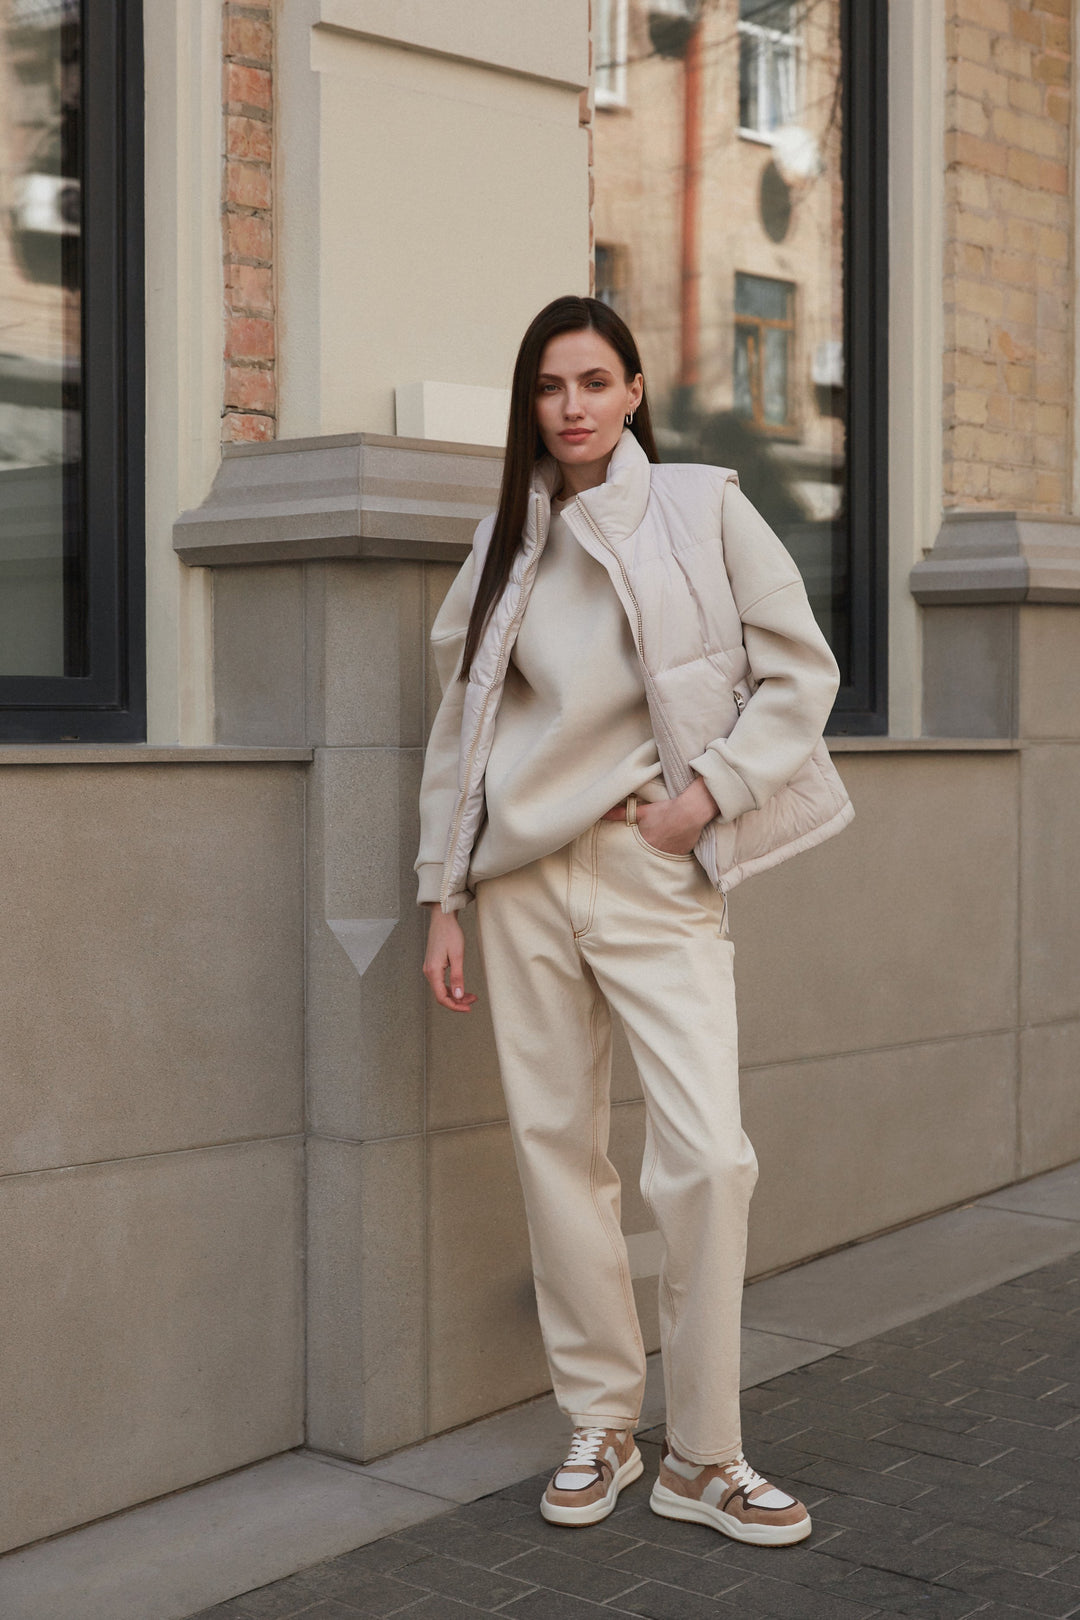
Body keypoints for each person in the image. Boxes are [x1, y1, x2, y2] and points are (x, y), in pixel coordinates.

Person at [414, 294, 853, 1547]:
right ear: (531, 404)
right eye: (552, 387)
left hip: (654, 868)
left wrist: (708, 795)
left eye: (596, 381)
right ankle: (601, 1422)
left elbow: (798, 669)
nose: (573, 407)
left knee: (708, 1157)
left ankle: (705, 1454)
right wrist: (442, 896)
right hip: (519, 887)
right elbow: (461, 731)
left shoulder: (703, 505)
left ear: (634, 388)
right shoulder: (506, 536)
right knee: (559, 1156)